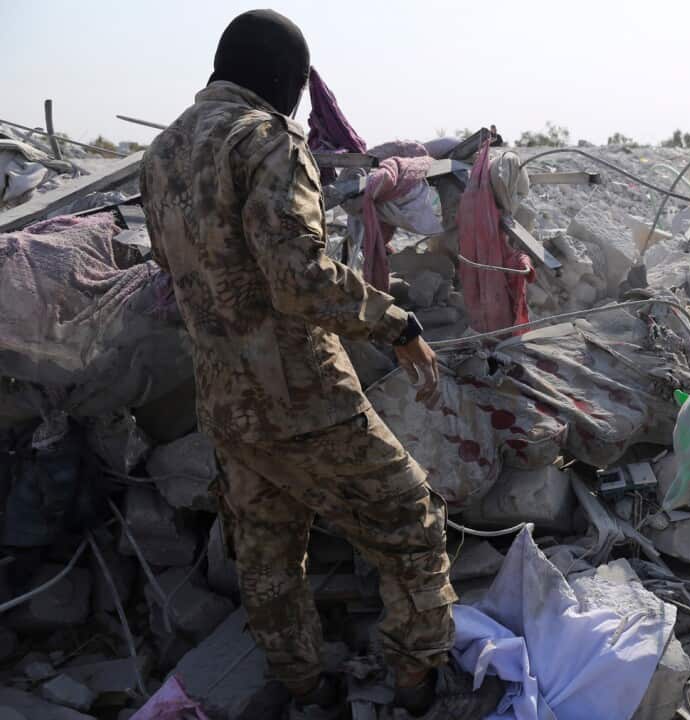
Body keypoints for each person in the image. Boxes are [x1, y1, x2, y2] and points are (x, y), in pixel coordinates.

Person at [139, 10, 469, 716]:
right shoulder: (264, 140)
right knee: (411, 523)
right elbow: (299, 277)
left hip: (226, 404)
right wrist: (395, 322)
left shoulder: (161, 154)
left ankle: (304, 690)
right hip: (303, 400)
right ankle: (416, 684)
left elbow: (176, 276)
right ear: (289, 82)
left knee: (268, 556)